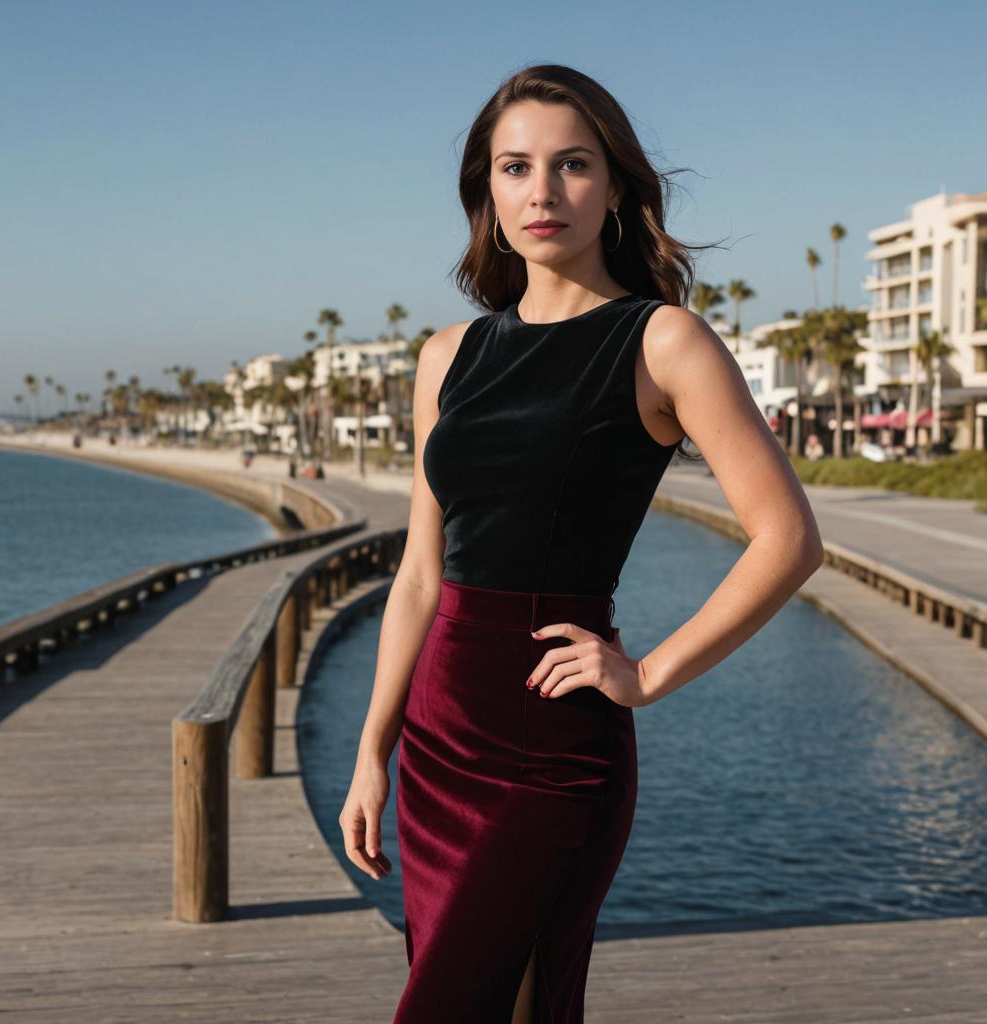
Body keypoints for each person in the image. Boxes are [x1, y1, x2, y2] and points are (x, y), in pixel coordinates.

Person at [339, 64, 824, 1023]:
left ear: (615, 186)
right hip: (439, 737)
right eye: (515, 167)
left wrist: (646, 673)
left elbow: (789, 540)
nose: (543, 191)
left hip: (551, 743)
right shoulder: (449, 355)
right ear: (487, 191)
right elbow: (421, 576)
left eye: (572, 165)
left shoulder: (660, 341)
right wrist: (372, 751)